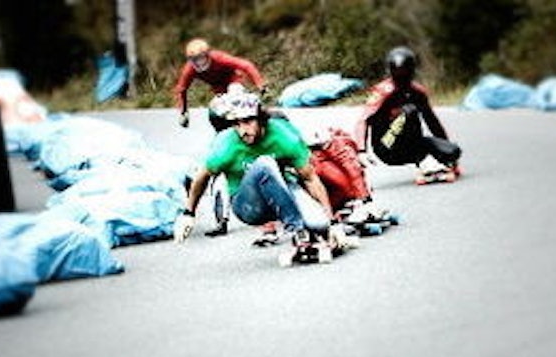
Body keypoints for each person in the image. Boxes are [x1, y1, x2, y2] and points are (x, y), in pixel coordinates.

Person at [174, 92, 336, 258]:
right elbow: (202, 177)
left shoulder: (284, 137)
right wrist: (189, 213)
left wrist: (332, 222)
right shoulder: (226, 144)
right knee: (264, 164)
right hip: (248, 205)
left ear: (261, 119)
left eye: (247, 121)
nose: (242, 130)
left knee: (320, 223)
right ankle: (299, 232)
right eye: (236, 124)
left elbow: (310, 179)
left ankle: (319, 234)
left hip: (282, 195)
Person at [355, 46, 461, 177]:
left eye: (405, 72)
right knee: (409, 111)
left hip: (411, 146)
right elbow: (364, 120)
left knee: (452, 151)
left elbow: (432, 121)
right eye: (398, 73)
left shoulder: (418, 92)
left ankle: (430, 160)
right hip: (387, 146)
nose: (402, 76)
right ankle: (424, 161)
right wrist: (361, 151)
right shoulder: (383, 91)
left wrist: (447, 150)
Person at [173, 38, 267, 130]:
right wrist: (183, 112)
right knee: (219, 108)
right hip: (218, 87)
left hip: (233, 79)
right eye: (195, 59)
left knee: (235, 94)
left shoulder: (218, 58)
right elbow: (181, 89)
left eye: (202, 58)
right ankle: (227, 127)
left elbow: (246, 65)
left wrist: (260, 84)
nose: (199, 63)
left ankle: (255, 118)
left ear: (208, 55)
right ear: (190, 60)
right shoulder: (190, 68)